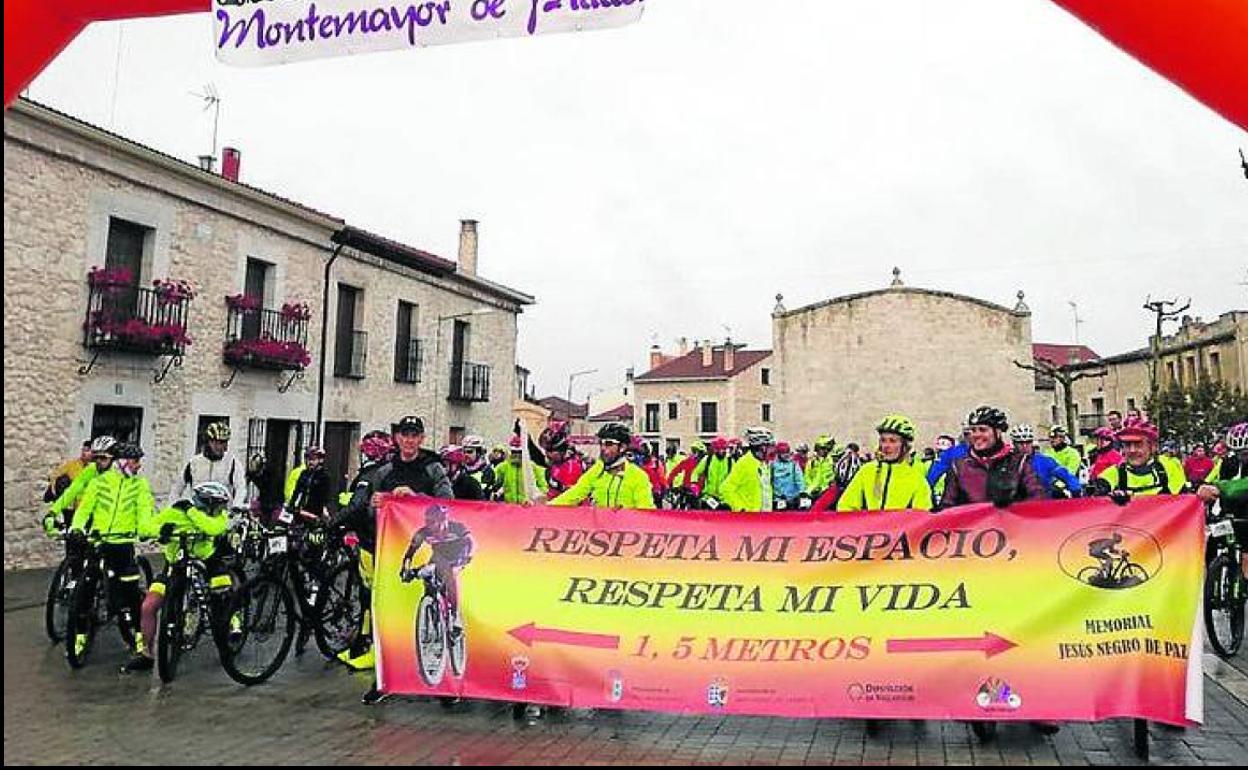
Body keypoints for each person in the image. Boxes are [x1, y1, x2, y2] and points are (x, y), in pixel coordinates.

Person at [122, 481, 235, 673]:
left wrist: (192, 512)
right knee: (148, 606)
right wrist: (162, 531)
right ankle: (146, 653)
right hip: (175, 566)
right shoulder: (176, 513)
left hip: (208, 564)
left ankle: (227, 632)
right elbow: (145, 529)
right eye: (216, 505)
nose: (219, 510)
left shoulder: (216, 516)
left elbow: (212, 529)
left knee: (221, 596)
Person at [66, 442, 153, 664]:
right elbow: (85, 509)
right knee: (85, 587)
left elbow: (144, 511)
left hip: (123, 544)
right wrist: (77, 527)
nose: (139, 466)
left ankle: (140, 637)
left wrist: (145, 531)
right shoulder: (98, 483)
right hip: (100, 541)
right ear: (122, 462)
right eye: (135, 461)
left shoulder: (139, 485)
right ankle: (80, 633)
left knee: (130, 593)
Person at [328, 431, 395, 671]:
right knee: (369, 596)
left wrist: (331, 524)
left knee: (372, 597)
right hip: (376, 539)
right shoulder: (386, 471)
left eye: (363, 451)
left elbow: (357, 505)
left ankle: (375, 650)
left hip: (372, 541)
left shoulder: (371, 475)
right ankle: (363, 643)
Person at [939, 406, 1046, 510]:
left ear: (998, 432)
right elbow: (947, 507)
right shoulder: (959, 467)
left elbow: (1037, 498)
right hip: (973, 527)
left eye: (983, 430)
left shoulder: (1018, 464)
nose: (977, 435)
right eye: (973, 430)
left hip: (1010, 525)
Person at [837, 415, 933, 512]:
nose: (886, 446)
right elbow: (846, 506)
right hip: (869, 526)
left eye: (893, 441)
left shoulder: (916, 479)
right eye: (883, 440)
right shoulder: (867, 471)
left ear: (905, 446)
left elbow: (921, 516)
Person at [551, 423, 655, 510]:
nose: (603, 448)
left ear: (622, 447)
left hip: (626, 531)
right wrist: (546, 509)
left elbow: (646, 511)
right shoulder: (597, 470)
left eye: (609, 444)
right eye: (601, 443)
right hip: (601, 531)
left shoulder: (637, 476)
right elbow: (574, 494)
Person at [1197, 422, 1248, 579]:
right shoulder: (1228, 462)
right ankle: (1214, 580)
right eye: (1238, 453)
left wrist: (1220, 488)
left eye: (1246, 453)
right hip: (1234, 513)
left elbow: (1234, 487)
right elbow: (1216, 482)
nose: (1242, 457)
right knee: (1212, 540)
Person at [1089, 420, 1185, 501]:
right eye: (1127, 445)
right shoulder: (1115, 472)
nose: (1132, 450)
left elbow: (1185, 500)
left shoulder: (1170, 466)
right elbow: (1096, 501)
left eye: (1138, 444)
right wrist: (1109, 498)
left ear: (1153, 447)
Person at [46, 435, 117, 534]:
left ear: (113, 458)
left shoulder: (119, 475)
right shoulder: (92, 469)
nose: (98, 461)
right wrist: (52, 512)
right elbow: (72, 490)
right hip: (83, 514)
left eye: (103, 458)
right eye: (96, 457)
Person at [373, 416, 455, 501]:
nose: (409, 440)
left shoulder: (434, 469)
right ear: (397, 438)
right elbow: (371, 510)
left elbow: (447, 504)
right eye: (405, 435)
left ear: (421, 439)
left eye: (414, 436)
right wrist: (377, 504)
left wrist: (415, 498)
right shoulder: (384, 472)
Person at [172, 421, 247, 510]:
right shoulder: (194, 463)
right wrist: (174, 506)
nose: (219, 447)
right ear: (208, 442)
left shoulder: (233, 463)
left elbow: (241, 487)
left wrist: (237, 505)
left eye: (223, 442)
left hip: (222, 514)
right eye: (215, 442)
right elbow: (177, 488)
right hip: (198, 513)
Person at [1010, 424, 1082, 498]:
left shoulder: (1044, 460)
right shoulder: (1008, 462)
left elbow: (1066, 475)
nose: (1025, 446)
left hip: (1043, 502)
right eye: (1021, 443)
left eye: (1028, 442)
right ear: (1014, 444)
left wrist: (1075, 489)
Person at [720, 428, 776, 512]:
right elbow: (725, 489)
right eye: (770, 446)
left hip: (764, 516)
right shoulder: (744, 463)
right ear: (762, 447)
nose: (773, 450)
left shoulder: (764, 463)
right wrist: (740, 508)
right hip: (749, 518)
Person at [494, 435, 547, 503]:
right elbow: (495, 483)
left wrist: (536, 498)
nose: (516, 455)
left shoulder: (533, 467)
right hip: (509, 507)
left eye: (519, 452)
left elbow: (543, 488)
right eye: (514, 452)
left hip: (528, 508)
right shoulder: (502, 467)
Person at [539, 421, 586, 499]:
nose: (547, 454)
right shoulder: (557, 462)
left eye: (551, 451)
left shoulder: (572, 467)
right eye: (546, 450)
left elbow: (569, 498)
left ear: (561, 450)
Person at [287, 446, 334, 523]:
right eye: (308, 459)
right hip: (301, 511)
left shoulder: (324, 476)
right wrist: (291, 506)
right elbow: (297, 491)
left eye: (313, 459)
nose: (310, 462)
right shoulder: (304, 474)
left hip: (315, 512)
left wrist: (324, 510)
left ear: (319, 460)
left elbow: (326, 496)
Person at [45, 440, 93, 505]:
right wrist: (55, 493)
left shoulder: (94, 469)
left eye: (87, 450)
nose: (84, 453)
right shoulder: (71, 465)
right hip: (69, 505)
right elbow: (54, 476)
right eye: (83, 450)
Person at [694, 437, 734, 510]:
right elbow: (696, 472)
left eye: (723, 449)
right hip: (708, 497)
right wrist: (694, 485)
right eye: (718, 449)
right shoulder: (707, 459)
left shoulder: (730, 462)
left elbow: (736, 478)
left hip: (724, 499)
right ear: (715, 449)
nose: (721, 451)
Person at [770, 442, 805, 510]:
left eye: (787, 452)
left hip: (792, 499)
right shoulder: (773, 465)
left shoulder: (793, 464)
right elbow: (770, 480)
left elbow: (799, 479)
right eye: (783, 453)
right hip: (778, 498)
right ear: (778, 454)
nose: (786, 455)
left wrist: (802, 492)